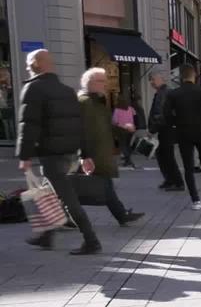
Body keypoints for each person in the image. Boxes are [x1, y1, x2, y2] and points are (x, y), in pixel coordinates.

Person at [16, 49, 101, 255]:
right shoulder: (66, 90)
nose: (27, 68)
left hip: (51, 154)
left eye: (28, 64)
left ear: (36, 64)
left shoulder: (33, 89)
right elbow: (80, 126)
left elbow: (29, 125)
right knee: (49, 193)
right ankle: (47, 235)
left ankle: (91, 240)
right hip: (69, 154)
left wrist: (24, 156)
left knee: (67, 198)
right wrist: (85, 154)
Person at [77, 68, 144, 226]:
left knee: (105, 187)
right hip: (92, 155)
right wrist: (84, 155)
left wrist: (124, 129)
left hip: (101, 154)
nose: (105, 84)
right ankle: (62, 217)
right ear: (90, 83)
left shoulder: (98, 103)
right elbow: (79, 130)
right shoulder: (84, 103)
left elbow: (108, 126)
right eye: (101, 81)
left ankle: (121, 215)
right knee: (88, 188)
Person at [165, 64, 201, 210]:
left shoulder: (174, 94)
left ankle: (195, 200)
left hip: (183, 133)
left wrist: (176, 123)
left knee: (188, 167)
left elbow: (167, 114)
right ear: (194, 75)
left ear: (181, 76)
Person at [148, 72, 184, 191]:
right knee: (162, 154)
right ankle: (170, 180)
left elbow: (161, 113)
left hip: (166, 128)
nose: (151, 82)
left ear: (160, 79)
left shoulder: (164, 93)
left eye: (153, 79)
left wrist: (153, 129)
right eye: (150, 80)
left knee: (167, 156)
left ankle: (177, 182)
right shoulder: (162, 92)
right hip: (165, 128)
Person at [112, 99, 138, 169]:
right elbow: (134, 118)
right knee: (127, 144)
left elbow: (114, 121)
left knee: (122, 145)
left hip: (121, 129)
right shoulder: (131, 108)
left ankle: (128, 160)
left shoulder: (117, 110)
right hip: (130, 129)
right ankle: (127, 161)